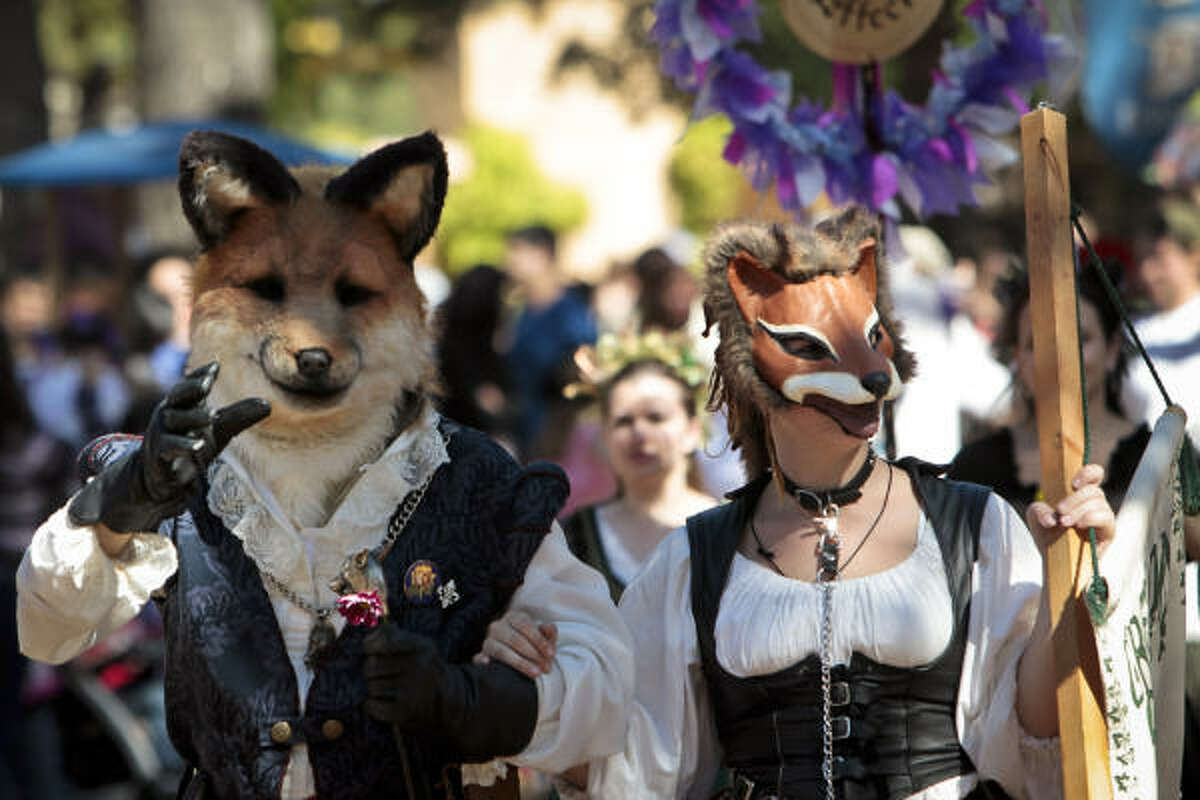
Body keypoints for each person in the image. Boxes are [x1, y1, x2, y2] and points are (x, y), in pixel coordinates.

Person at [16, 130, 632, 800]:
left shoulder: (470, 478)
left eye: (354, 294)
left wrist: (465, 699)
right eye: (269, 292)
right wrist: (121, 509)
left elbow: (603, 687)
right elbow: (46, 629)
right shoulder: (176, 474)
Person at [489, 208, 1120, 798]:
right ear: (751, 375)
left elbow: (1034, 729)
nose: (868, 376)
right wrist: (514, 684)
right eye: (813, 347)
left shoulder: (971, 525)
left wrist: (1072, 586)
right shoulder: (697, 558)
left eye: (873, 339)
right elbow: (629, 757)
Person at [949, 262, 1151, 516]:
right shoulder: (974, 469)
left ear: (1111, 350)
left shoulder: (1159, 458)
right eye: (1037, 343)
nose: (1060, 358)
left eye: (1080, 338)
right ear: (1018, 358)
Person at [0, 324, 75, 799]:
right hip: (27, 595)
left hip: (16, 598)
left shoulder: (35, 444)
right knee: (24, 727)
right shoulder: (38, 441)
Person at [503, 225, 597, 459]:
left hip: (557, 443)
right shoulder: (520, 310)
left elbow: (581, 378)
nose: (509, 261)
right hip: (522, 436)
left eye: (516, 252)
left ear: (542, 254)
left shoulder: (570, 313)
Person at [1122, 196, 1200, 447]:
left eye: (1158, 257)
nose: (1147, 272)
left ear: (1194, 254)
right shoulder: (1128, 331)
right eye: (1141, 258)